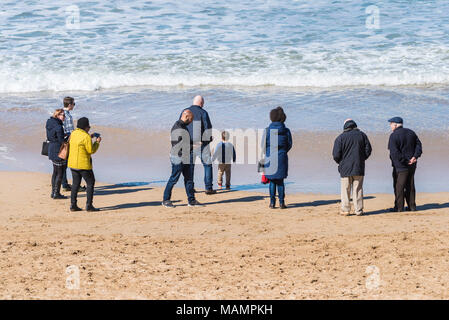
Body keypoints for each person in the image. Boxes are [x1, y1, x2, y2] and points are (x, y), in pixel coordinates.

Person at [162, 110, 204, 208]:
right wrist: (196, 146)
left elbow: (187, 141)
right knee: (174, 178)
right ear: (186, 117)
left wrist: (201, 141)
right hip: (178, 157)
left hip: (186, 156)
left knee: (189, 179)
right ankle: (166, 200)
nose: (191, 122)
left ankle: (191, 200)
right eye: (191, 119)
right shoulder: (177, 128)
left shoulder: (183, 126)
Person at [332, 119, 372, 216]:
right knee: (358, 189)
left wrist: (340, 162)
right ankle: (358, 210)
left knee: (345, 189)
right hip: (359, 166)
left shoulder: (340, 137)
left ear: (345, 126)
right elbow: (368, 150)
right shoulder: (362, 135)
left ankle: (345, 210)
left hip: (345, 167)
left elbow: (336, 155)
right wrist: (362, 158)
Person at [180, 95, 216, 195]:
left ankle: (190, 188)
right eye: (203, 103)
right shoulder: (203, 112)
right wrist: (208, 140)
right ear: (201, 103)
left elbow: (180, 125)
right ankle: (208, 188)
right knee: (207, 165)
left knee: (190, 166)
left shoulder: (185, 111)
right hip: (201, 143)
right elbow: (208, 128)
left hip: (188, 143)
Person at [388, 117, 422, 212]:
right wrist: (415, 157)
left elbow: (394, 153)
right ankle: (412, 206)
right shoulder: (411, 132)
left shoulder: (393, 136)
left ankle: (399, 207)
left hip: (400, 165)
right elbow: (419, 146)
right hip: (412, 164)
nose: (390, 126)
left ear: (395, 125)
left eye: (391, 124)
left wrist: (406, 160)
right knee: (410, 185)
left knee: (399, 186)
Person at [67, 117, 101, 212]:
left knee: (75, 184)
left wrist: (90, 136)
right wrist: (97, 142)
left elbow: (79, 141)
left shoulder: (73, 133)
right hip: (83, 165)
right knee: (90, 183)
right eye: (88, 126)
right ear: (85, 127)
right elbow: (91, 150)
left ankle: (73, 205)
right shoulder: (85, 136)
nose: (89, 128)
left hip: (72, 164)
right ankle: (89, 205)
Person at [263, 107, 292, 209]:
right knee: (280, 182)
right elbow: (289, 145)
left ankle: (272, 203)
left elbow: (263, 145)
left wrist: (268, 153)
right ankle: (281, 203)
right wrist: (283, 151)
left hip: (270, 157)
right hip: (282, 157)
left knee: (272, 182)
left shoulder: (267, 130)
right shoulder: (286, 131)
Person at [61, 96, 86, 192]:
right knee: (70, 163)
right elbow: (71, 131)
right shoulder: (67, 115)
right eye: (74, 104)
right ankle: (69, 185)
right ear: (70, 104)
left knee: (64, 163)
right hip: (67, 141)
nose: (74, 106)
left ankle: (64, 184)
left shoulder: (61, 113)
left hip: (62, 140)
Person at [46, 109, 68, 200]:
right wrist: (67, 137)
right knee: (60, 173)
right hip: (58, 151)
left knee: (55, 172)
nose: (64, 117)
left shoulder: (50, 122)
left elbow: (52, 135)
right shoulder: (59, 126)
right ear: (57, 115)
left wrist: (63, 135)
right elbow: (61, 141)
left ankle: (53, 192)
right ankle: (56, 193)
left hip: (51, 149)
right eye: (62, 115)